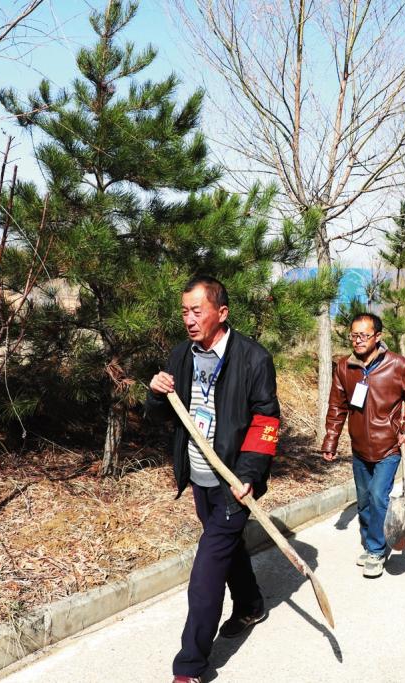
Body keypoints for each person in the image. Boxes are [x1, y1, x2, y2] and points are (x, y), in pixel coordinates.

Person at [146, 276, 281, 683]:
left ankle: (190, 666)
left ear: (221, 313)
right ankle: (251, 605)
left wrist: (249, 475)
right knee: (227, 547)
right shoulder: (181, 355)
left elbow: (266, 421)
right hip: (199, 476)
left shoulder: (253, 359)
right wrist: (156, 392)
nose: (189, 319)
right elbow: (164, 414)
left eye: (197, 311)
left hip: (232, 481)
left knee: (206, 573)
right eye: (184, 311)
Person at [321, 313, 405, 578]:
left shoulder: (397, 365)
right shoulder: (344, 367)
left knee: (379, 496)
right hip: (359, 448)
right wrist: (331, 440)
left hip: (389, 447)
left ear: (378, 337)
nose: (358, 340)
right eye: (354, 335)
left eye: (364, 335)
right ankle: (371, 544)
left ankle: (377, 551)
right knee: (365, 501)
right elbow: (337, 407)